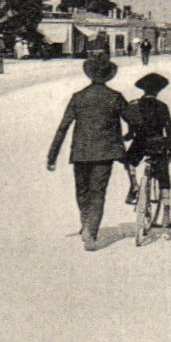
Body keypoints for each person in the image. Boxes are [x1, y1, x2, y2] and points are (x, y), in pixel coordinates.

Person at [46, 55, 127, 251]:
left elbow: (62, 127)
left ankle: (86, 221)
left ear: (89, 75)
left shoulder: (78, 97)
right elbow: (134, 119)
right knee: (98, 192)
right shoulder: (115, 97)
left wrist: (52, 156)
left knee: (82, 191)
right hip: (104, 153)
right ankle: (91, 231)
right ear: (109, 76)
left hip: (80, 152)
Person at [122, 72, 171, 233]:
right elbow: (170, 131)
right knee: (164, 176)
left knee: (129, 162)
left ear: (143, 90)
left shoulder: (135, 105)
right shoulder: (162, 106)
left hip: (140, 143)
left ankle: (134, 186)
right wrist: (170, 149)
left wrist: (127, 137)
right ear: (158, 91)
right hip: (158, 143)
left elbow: (131, 132)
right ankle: (166, 214)